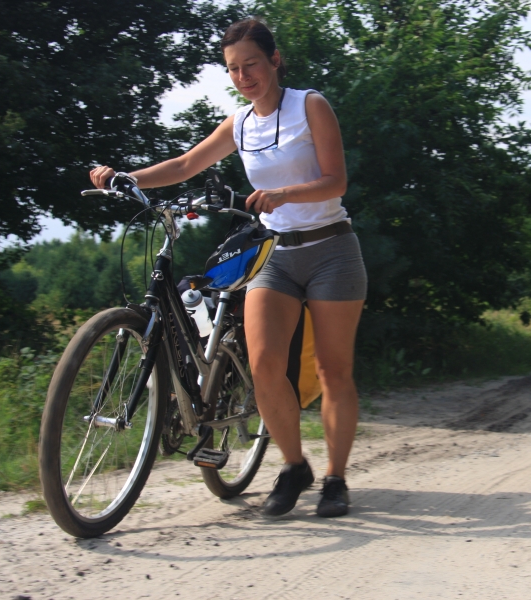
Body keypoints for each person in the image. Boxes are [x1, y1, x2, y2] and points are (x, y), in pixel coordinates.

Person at [89, 17, 367, 518]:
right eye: (234, 69)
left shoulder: (310, 106)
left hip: (331, 248)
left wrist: (283, 194)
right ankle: (294, 467)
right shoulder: (240, 123)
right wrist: (125, 177)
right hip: (275, 255)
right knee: (264, 365)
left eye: (251, 64)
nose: (243, 77)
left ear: (274, 60)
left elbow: (336, 182)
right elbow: (184, 166)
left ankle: (335, 479)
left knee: (332, 370)